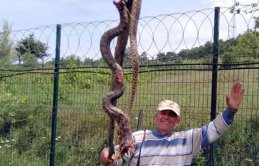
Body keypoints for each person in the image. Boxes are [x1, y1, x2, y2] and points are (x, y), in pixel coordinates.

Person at [99, 81, 245, 166]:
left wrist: (231, 110)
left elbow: (214, 129)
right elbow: (114, 157)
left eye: (172, 114)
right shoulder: (138, 138)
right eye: (163, 112)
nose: (167, 117)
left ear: (177, 121)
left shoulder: (188, 139)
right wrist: (106, 155)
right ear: (156, 116)